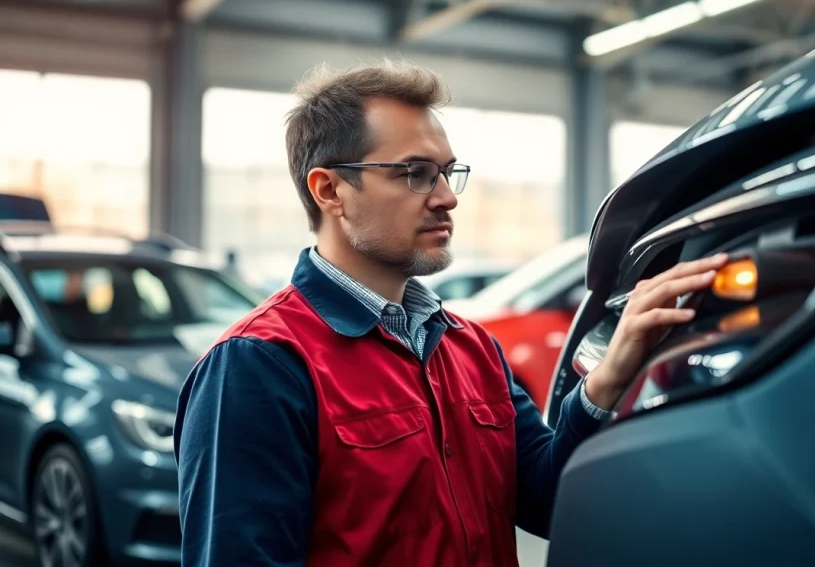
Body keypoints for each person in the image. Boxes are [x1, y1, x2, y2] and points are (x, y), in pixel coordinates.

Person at [173, 59, 730, 567]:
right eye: (415, 173)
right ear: (330, 191)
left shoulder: (470, 348)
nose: (447, 197)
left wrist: (610, 375)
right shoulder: (258, 367)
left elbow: (544, 500)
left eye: (446, 172)